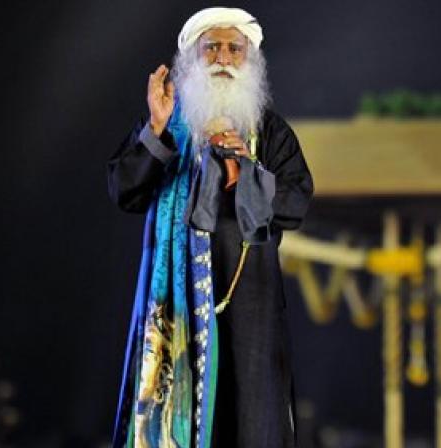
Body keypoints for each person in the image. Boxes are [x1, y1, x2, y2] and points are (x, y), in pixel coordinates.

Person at [107, 7, 313, 447]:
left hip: (250, 310)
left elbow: (296, 202)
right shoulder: (165, 126)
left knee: (252, 421)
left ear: (250, 61)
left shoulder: (269, 132)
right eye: (211, 48)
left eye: (234, 49)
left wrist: (246, 171)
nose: (222, 57)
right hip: (175, 309)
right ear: (191, 61)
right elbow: (125, 191)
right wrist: (157, 130)